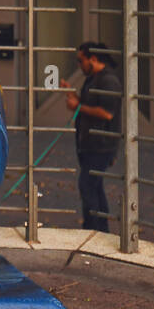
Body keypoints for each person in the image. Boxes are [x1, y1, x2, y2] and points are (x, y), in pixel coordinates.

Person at [59, 41, 123, 233]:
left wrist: (77, 107)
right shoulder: (93, 79)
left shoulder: (108, 81)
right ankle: (101, 229)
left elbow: (107, 113)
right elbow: (87, 104)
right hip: (89, 143)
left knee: (87, 186)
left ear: (93, 59)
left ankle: (92, 230)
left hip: (101, 145)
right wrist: (72, 94)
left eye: (80, 60)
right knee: (95, 187)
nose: (79, 65)